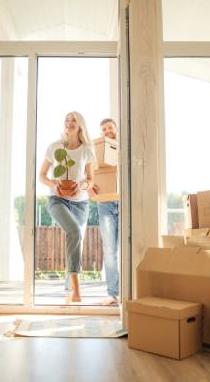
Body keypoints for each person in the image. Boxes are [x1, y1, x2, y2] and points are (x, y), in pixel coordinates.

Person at [39, 111, 95, 303]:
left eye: (74, 120)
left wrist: (81, 185)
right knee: (75, 232)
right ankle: (77, 292)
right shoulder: (55, 147)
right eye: (67, 120)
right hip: (57, 200)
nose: (69, 122)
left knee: (75, 241)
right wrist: (55, 184)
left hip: (81, 203)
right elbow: (42, 176)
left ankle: (70, 289)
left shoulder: (87, 150)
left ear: (80, 125)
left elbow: (90, 179)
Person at [93, 118, 120, 305]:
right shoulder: (97, 152)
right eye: (104, 129)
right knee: (110, 251)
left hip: (124, 202)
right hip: (105, 204)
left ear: (116, 128)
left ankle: (131, 290)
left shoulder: (126, 147)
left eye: (110, 127)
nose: (107, 131)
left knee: (129, 250)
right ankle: (113, 293)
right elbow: (89, 172)